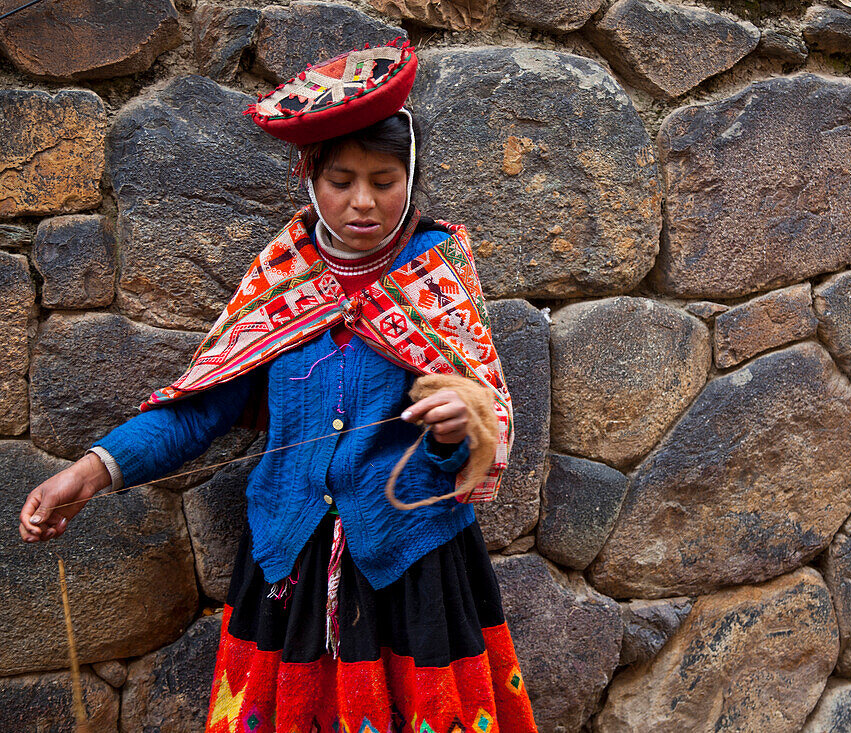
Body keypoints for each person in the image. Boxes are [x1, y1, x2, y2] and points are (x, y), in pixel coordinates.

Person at [18, 39, 539, 733]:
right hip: (287, 571)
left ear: (411, 178)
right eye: (342, 179)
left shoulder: (434, 272)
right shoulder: (281, 276)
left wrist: (459, 426)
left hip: (411, 571)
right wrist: (91, 471)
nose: (362, 202)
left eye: (384, 181)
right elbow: (202, 404)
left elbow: (484, 419)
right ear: (308, 176)